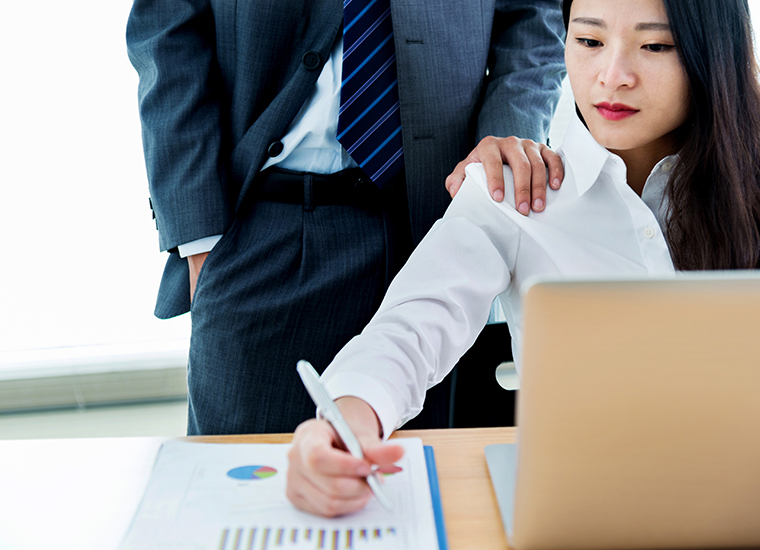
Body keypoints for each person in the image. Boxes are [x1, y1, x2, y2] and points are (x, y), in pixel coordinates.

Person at [286, 0, 760, 517]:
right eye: (589, 42)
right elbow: (410, 328)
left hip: (749, 508)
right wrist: (345, 424)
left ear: (713, 57)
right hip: (581, 515)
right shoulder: (517, 190)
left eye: (655, 46)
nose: (611, 77)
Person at [126, 2, 567, 435]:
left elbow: (533, 21)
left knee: (432, 493)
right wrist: (201, 242)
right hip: (265, 235)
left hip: (440, 228)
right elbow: (168, 31)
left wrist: (501, 158)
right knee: (247, 490)